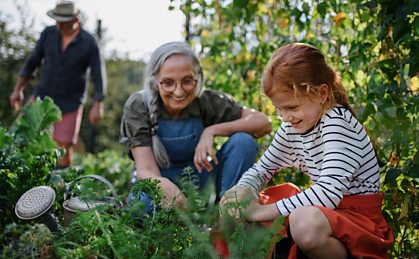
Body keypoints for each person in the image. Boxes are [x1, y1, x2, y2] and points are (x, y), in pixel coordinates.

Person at [220, 43, 393, 259]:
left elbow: (329, 193)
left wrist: (259, 211)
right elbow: (262, 169)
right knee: (232, 200)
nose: (285, 117)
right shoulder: (294, 126)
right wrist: (244, 189)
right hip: (326, 214)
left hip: (356, 222)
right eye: (279, 109)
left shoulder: (337, 123)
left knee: (303, 222)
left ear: (321, 93)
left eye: (291, 107)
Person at [120, 41, 272, 210]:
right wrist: (170, 192)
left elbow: (263, 123)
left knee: (243, 141)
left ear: (197, 77)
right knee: (145, 205)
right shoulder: (139, 105)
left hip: (202, 182)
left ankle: (229, 212)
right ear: (155, 82)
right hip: (158, 182)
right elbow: (146, 169)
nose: (178, 92)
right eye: (168, 83)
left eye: (187, 81)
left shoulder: (206, 101)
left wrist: (212, 131)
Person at [9, 1, 106, 168]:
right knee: (20, 135)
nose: (59, 24)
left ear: (75, 19)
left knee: (63, 148)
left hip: (70, 102)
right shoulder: (49, 34)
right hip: (43, 96)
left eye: (64, 21)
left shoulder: (89, 42)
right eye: (57, 20)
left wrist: (98, 104)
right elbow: (32, 62)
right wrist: (18, 89)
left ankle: (60, 186)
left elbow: (98, 74)